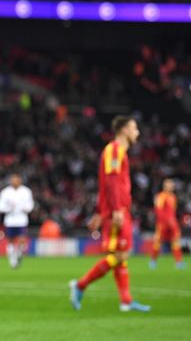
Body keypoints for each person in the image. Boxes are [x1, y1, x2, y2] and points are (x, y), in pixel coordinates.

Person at [69, 116, 150, 313]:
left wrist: (100, 211)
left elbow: (105, 183)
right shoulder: (114, 150)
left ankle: (126, 300)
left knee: (120, 255)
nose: (137, 132)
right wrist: (114, 210)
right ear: (123, 130)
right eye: (134, 128)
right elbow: (112, 181)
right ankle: (80, 286)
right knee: (121, 254)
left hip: (118, 209)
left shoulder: (118, 151)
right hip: (118, 210)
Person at [0, 173, 34, 269]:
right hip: (10, 220)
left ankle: (19, 255)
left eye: (16, 180)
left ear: (20, 181)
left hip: (22, 220)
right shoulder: (5, 192)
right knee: (11, 241)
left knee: (22, 240)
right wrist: (8, 208)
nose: (14, 182)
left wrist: (26, 208)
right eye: (13, 180)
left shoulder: (26, 191)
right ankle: (12, 260)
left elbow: (30, 205)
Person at [150, 178, 185, 269]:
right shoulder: (161, 196)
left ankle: (179, 262)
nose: (172, 186)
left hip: (172, 223)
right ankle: (153, 261)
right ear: (165, 186)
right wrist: (165, 221)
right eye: (169, 185)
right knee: (157, 241)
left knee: (176, 241)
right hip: (163, 224)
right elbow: (158, 211)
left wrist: (173, 222)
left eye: (172, 185)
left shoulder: (173, 197)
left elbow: (172, 212)